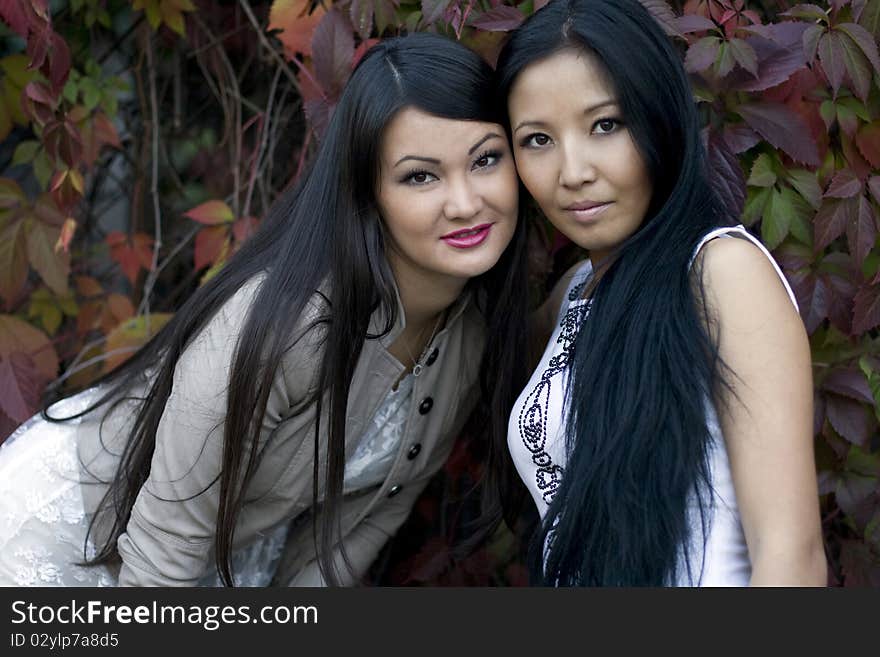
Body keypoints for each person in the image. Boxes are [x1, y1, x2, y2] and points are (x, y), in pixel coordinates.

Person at [0, 33, 528, 587]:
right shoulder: (291, 324)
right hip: (68, 544)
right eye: (420, 176)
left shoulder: (468, 340)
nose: (467, 202)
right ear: (368, 193)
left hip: (209, 560)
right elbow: (164, 545)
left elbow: (352, 537)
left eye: (486, 159)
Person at [493, 0, 826, 586]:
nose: (573, 171)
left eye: (606, 125)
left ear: (660, 119)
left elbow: (789, 556)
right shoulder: (574, 293)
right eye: (538, 140)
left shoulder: (721, 271)